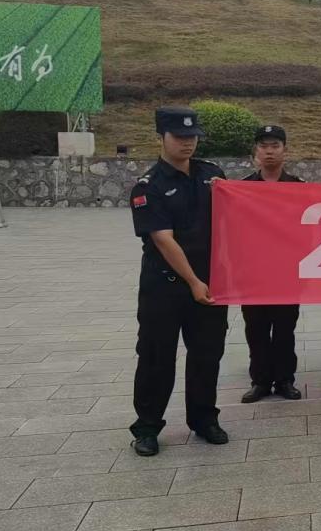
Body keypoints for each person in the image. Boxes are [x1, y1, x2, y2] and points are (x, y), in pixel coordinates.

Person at [128, 106, 229, 457]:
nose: (188, 143)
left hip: (211, 285)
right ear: (161, 137)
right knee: (156, 357)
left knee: (207, 355)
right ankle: (147, 427)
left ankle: (204, 419)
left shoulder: (212, 175)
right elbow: (163, 239)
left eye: (193, 137)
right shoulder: (148, 186)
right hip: (165, 287)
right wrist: (193, 281)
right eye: (180, 137)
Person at [239, 125, 303, 404]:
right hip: (253, 274)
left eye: (275, 146)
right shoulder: (242, 189)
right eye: (263, 146)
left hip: (286, 273)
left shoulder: (299, 188)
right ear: (256, 152)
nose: (269, 151)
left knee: (285, 330)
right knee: (256, 330)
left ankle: (285, 380)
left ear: (285, 151)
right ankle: (260, 381)